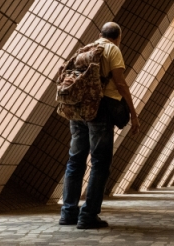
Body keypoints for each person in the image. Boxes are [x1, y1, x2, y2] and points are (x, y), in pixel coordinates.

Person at [59, 22, 139, 229]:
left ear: (100, 34)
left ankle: (68, 213)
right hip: (100, 110)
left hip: (78, 111)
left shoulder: (86, 49)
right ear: (118, 37)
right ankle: (88, 215)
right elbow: (120, 83)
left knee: (75, 161)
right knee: (100, 163)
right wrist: (133, 112)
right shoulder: (113, 50)